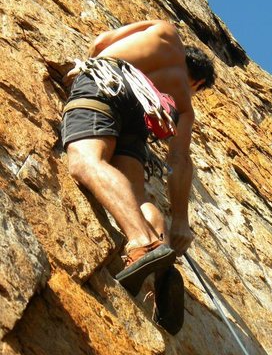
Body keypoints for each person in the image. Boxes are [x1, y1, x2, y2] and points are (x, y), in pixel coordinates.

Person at [61, 19, 215, 303]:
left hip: (109, 81)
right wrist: (181, 219)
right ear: (199, 82)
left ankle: (142, 242)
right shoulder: (184, 106)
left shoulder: (165, 31)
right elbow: (179, 158)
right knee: (138, 195)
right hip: (141, 115)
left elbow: (101, 42)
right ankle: (162, 272)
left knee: (85, 160)